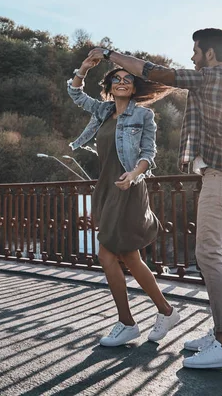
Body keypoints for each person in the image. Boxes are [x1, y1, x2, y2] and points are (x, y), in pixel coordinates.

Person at [88, 28, 222, 368]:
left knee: (208, 254)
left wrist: (108, 54)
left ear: (209, 55)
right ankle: (220, 332)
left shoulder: (207, 78)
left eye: (195, 51)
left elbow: (152, 72)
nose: (192, 57)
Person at [67, 56, 180, 347]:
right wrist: (85, 67)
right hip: (106, 187)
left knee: (106, 255)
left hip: (128, 186)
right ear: (109, 85)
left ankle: (127, 322)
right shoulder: (104, 111)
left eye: (127, 79)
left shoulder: (143, 116)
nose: (121, 82)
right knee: (130, 257)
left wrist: (134, 175)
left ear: (134, 88)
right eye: (116, 79)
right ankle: (166, 312)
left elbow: (148, 154)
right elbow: (76, 94)